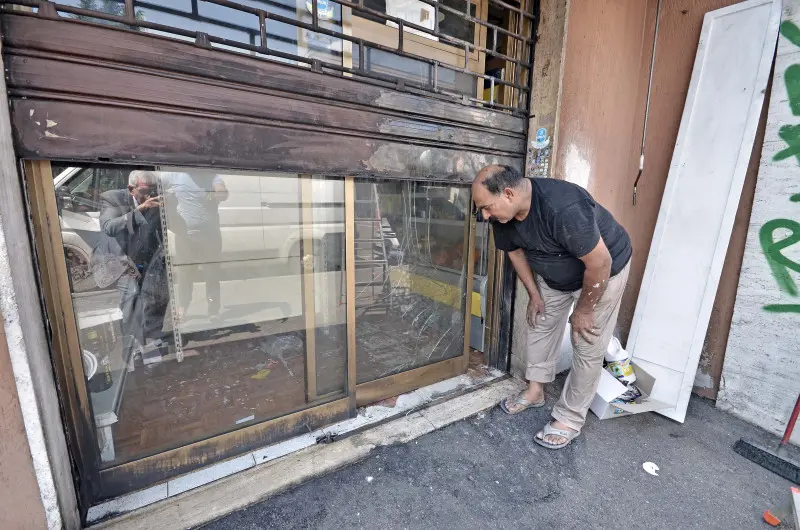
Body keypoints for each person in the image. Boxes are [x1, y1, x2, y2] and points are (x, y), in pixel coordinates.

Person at [472, 165, 632, 449]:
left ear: (508, 194)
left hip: (602, 273)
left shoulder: (563, 206)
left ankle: (569, 417)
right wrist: (534, 293)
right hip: (554, 273)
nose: (484, 216)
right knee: (539, 320)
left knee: (586, 342)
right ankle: (535, 391)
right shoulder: (502, 216)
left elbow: (599, 263)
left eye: (486, 208)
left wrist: (583, 310)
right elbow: (515, 253)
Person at [99, 170, 169, 359]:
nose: (150, 195)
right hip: (121, 259)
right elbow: (109, 227)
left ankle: (153, 334)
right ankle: (134, 344)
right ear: (131, 189)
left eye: (153, 190)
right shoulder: (113, 198)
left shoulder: (157, 198)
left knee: (158, 294)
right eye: (146, 191)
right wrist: (139, 210)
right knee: (132, 296)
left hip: (148, 257)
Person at [160, 171, 228, 320]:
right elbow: (155, 185)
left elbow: (222, 191)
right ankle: (182, 308)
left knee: (211, 273)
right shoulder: (173, 176)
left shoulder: (212, 177)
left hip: (210, 236)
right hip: (184, 235)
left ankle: (213, 310)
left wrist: (219, 192)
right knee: (185, 273)